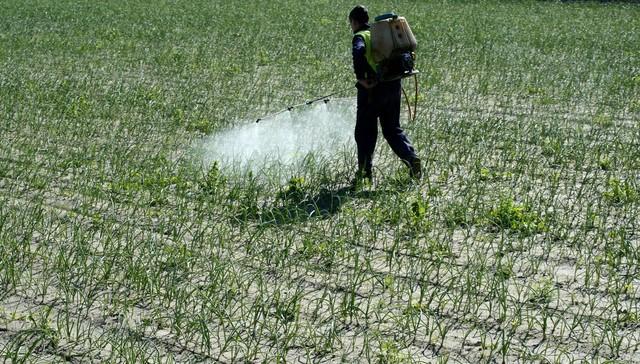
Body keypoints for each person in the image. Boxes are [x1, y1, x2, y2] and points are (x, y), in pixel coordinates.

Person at [349, 5, 421, 185]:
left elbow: (358, 52)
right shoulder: (380, 33)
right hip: (393, 85)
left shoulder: (360, 36)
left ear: (354, 22)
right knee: (392, 129)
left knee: (365, 132)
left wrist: (361, 78)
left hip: (372, 91)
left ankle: (365, 175)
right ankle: (411, 159)